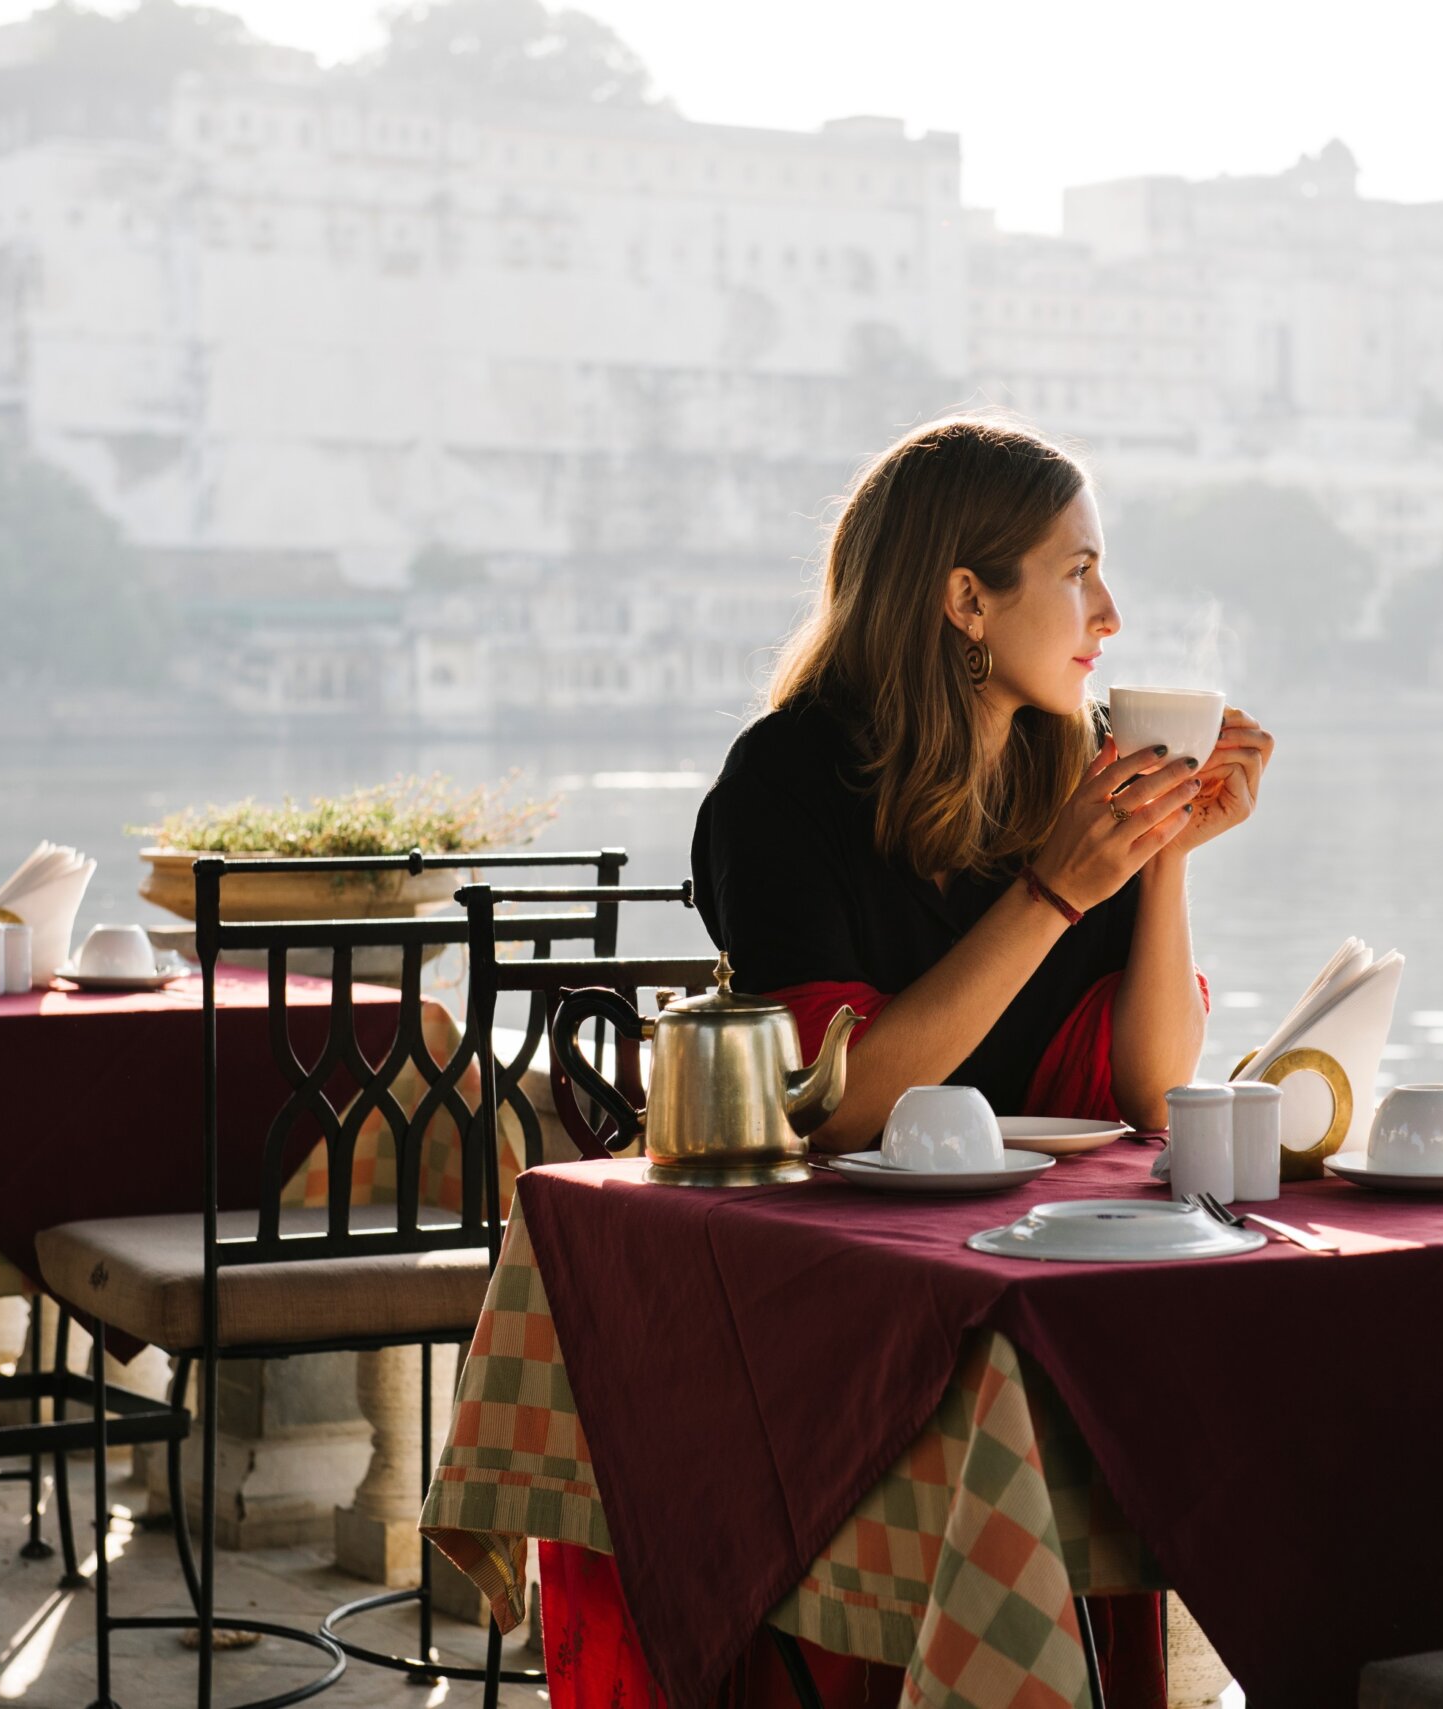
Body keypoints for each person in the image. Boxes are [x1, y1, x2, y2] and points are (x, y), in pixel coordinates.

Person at [542, 416, 1273, 1708]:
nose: (1111, 609)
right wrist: (1053, 889)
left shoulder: (1070, 765)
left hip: (1041, 1293)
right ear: (965, 599)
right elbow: (846, 1103)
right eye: (1077, 570)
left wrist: (1159, 849)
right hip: (828, 1311)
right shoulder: (785, 788)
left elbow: (1153, 1092)